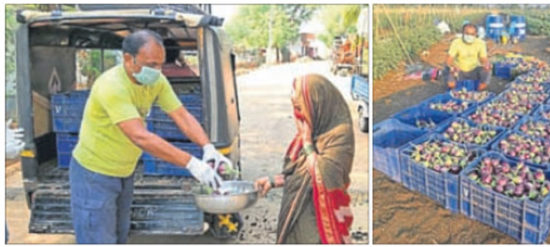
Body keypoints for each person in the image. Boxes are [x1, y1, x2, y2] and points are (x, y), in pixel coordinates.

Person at [69, 30, 230, 243]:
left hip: (124, 172)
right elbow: (140, 137)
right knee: (97, 239)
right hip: (94, 175)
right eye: (152, 64)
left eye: (160, 64)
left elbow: (181, 115)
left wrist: (208, 147)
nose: (157, 70)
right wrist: (192, 164)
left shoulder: (156, 80)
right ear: (128, 58)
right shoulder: (112, 86)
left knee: (118, 235)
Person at [254, 74, 355, 244]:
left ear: (316, 105)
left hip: (319, 220)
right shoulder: (313, 127)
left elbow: (324, 174)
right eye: (295, 108)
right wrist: (272, 181)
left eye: (301, 109)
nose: (298, 116)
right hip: (296, 213)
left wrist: (308, 144)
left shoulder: (339, 135)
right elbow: (300, 174)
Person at [445, 23, 491, 91]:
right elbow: (449, 59)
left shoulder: (480, 43)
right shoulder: (456, 42)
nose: (469, 36)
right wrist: (453, 66)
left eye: (472, 34)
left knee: (487, 71)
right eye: (467, 33)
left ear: (476, 34)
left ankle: (478, 91)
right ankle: (454, 91)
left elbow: (483, 58)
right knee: (448, 72)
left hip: (474, 69)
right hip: (459, 70)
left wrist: (486, 64)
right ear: (462, 33)